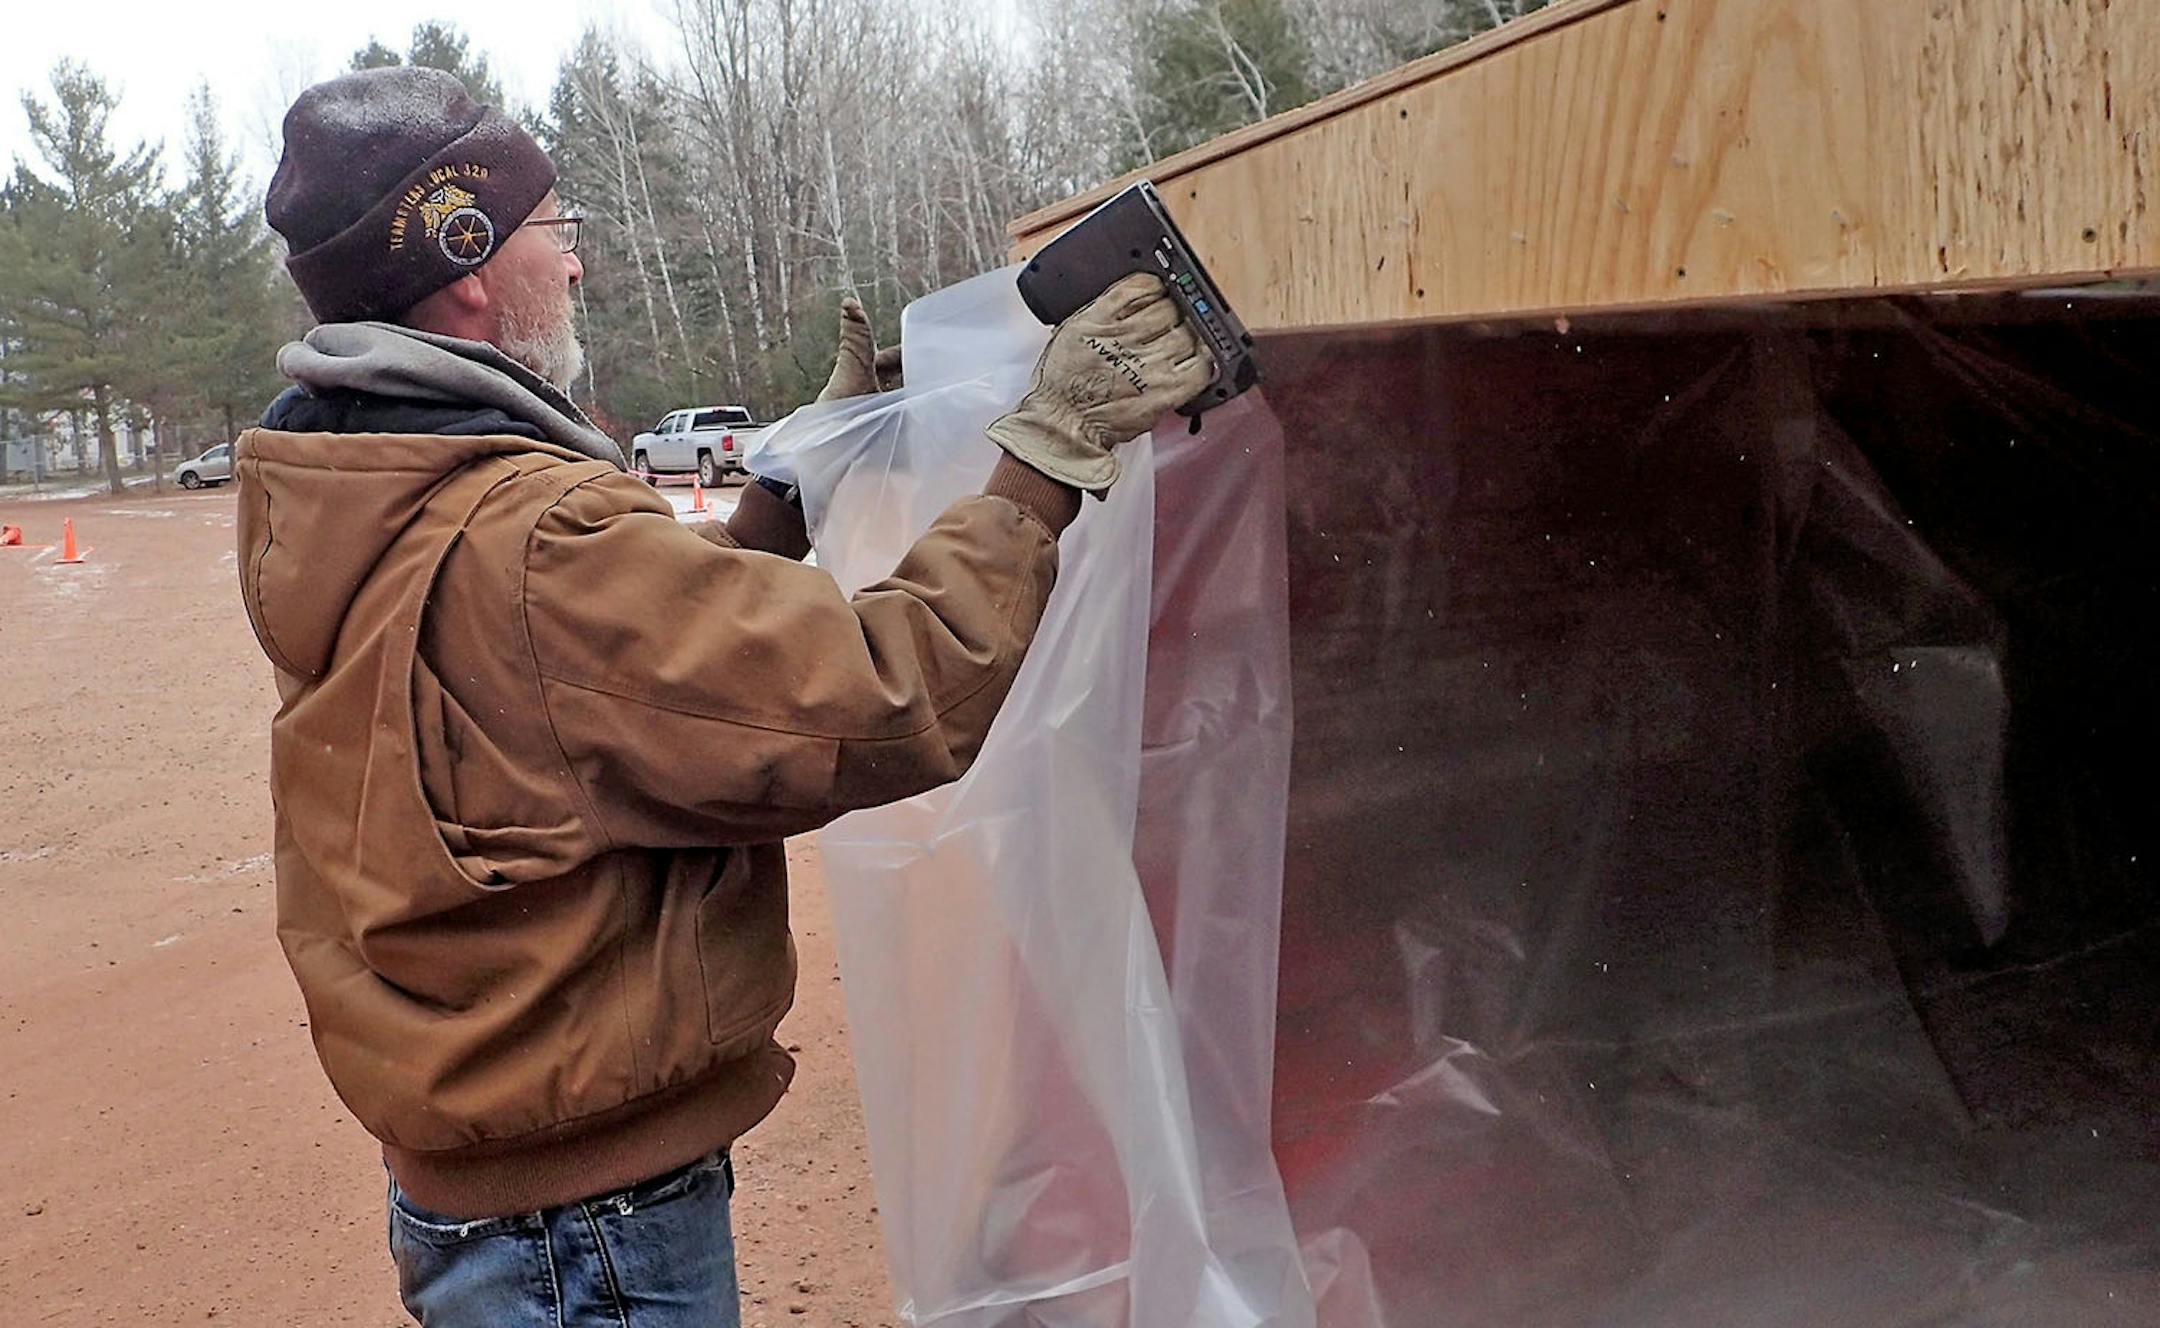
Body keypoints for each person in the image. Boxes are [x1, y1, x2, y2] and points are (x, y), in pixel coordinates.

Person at [236, 66, 1211, 1326]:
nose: (573, 266)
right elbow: (881, 692)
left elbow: (589, 695)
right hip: (583, 1237)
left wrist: (784, 495)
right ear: (468, 259)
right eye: (555, 231)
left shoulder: (351, 487)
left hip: (493, 1196)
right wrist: (1047, 453)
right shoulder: (533, 535)